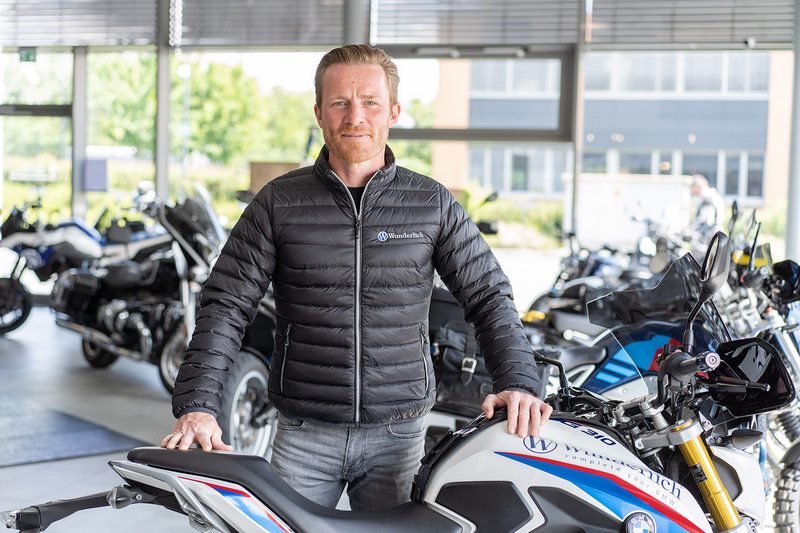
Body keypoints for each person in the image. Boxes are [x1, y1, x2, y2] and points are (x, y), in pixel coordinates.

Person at [162, 44, 550, 511]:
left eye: (370, 102)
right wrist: (198, 405)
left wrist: (518, 381)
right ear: (319, 113)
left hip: (399, 435)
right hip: (304, 435)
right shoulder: (278, 203)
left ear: (394, 112)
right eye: (339, 102)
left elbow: (487, 295)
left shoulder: (430, 203)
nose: (355, 117)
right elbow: (226, 304)